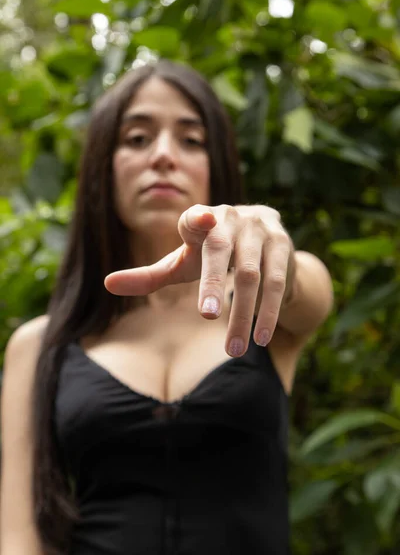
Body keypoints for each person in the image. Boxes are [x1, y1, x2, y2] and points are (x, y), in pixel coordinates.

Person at [0, 59, 333, 555]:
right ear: (102, 169)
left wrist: (265, 238)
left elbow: (308, 293)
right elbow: (19, 538)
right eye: (136, 138)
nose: (162, 156)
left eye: (191, 140)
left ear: (215, 167)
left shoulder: (268, 305)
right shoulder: (39, 345)